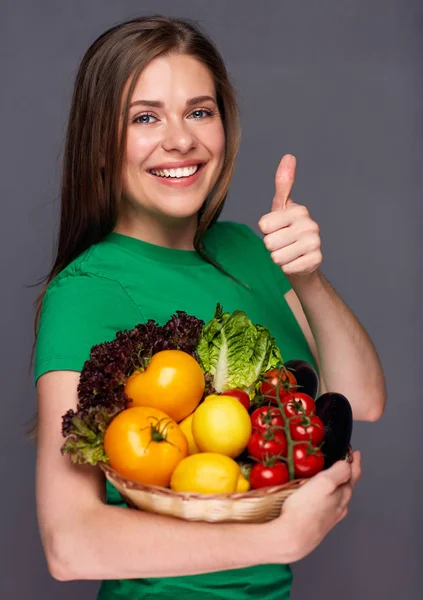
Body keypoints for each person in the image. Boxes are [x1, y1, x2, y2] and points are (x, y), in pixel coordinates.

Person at [34, 15, 385, 600]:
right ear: (99, 142)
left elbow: (362, 401)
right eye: (145, 118)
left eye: (200, 111)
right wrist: (278, 542)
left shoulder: (249, 248)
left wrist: (309, 279)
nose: (181, 140)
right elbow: (68, 543)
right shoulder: (87, 290)